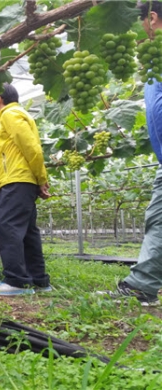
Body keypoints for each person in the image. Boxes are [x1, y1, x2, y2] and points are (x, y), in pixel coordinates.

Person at [98, 1, 162, 306]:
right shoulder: (155, 57)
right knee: (158, 219)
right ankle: (142, 285)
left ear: (151, 17)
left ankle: (141, 285)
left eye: (137, 24)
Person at [0, 83, 51, 296]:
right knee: (28, 232)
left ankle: (16, 281)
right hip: (23, 180)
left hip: (16, 180)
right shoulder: (15, 115)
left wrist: (42, 179)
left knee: (8, 228)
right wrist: (38, 179)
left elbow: (32, 148)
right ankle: (39, 280)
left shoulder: (10, 115)